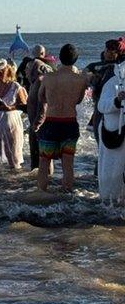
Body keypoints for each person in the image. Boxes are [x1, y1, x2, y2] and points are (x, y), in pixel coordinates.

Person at [33, 43, 90, 192]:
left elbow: (41, 98)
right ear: (75, 60)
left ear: (59, 58)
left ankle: (41, 194)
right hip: (70, 123)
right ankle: (67, 196)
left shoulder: (48, 77)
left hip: (51, 122)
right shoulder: (81, 80)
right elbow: (78, 100)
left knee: (44, 161)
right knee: (68, 164)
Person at [96, 59, 125, 203]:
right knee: (111, 171)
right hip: (114, 134)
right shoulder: (112, 83)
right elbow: (101, 106)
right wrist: (117, 101)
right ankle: (109, 200)